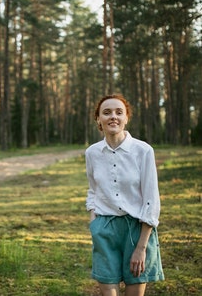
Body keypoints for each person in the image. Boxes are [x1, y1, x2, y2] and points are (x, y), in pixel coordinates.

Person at [85, 94, 164, 296]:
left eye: (119, 112)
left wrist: (141, 247)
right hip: (104, 229)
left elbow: (151, 200)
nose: (113, 116)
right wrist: (94, 222)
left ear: (126, 118)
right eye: (107, 112)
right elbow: (93, 190)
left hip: (138, 230)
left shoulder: (143, 151)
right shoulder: (92, 153)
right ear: (98, 120)